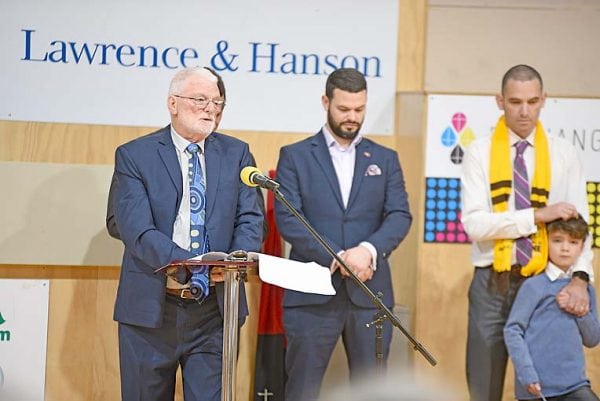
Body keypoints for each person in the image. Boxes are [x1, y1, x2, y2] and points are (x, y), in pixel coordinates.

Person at [106, 66, 263, 401]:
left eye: (217, 102)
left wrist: (232, 263)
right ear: (172, 103)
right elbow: (135, 229)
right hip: (151, 309)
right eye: (200, 100)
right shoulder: (135, 156)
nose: (211, 109)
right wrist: (191, 265)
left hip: (215, 311)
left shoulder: (237, 153)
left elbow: (251, 219)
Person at [274, 68, 412, 401]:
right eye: (344, 109)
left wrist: (367, 250)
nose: (352, 117)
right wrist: (337, 257)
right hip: (311, 295)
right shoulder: (295, 156)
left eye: (359, 109)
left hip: (370, 295)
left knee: (372, 393)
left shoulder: (386, 159)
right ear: (326, 102)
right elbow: (289, 218)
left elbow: (399, 215)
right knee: (302, 390)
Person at [460, 64, 594, 401]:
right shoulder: (479, 152)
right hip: (492, 283)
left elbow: (583, 225)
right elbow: (475, 225)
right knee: (484, 385)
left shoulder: (564, 153)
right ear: (499, 101)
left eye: (532, 102)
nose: (524, 111)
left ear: (543, 100)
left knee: (547, 385)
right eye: (515, 102)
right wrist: (536, 216)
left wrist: (581, 279)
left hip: (546, 282)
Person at [504, 216, 600, 401]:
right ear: (546, 242)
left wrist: (580, 311)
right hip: (536, 388)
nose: (565, 248)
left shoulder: (586, 290)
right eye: (557, 240)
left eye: (573, 242)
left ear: (582, 248)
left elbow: (592, 339)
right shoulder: (533, 286)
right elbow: (513, 330)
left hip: (575, 385)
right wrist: (526, 373)